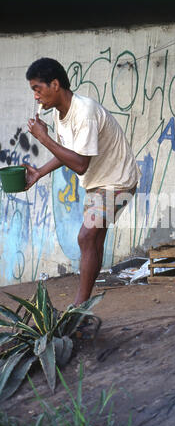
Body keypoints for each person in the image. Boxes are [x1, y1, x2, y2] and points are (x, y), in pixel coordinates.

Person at [25, 57, 141, 305]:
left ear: (55, 84)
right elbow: (68, 151)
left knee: (86, 237)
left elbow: (79, 164)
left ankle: (78, 306)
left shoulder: (84, 112)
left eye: (38, 88)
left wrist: (43, 138)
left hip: (118, 181)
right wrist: (39, 172)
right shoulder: (60, 114)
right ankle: (86, 305)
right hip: (99, 183)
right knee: (94, 240)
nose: (36, 96)